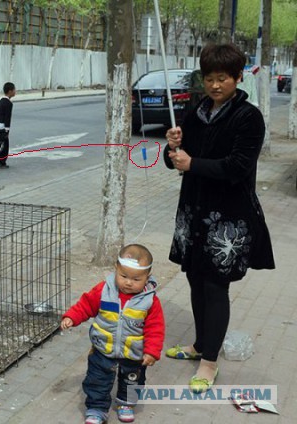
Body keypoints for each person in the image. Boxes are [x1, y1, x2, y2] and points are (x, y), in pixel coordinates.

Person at [164, 43, 274, 394]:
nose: (214, 85)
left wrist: (193, 163)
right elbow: (176, 161)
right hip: (194, 210)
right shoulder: (196, 110)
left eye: (222, 78)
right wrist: (173, 148)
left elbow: (238, 167)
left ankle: (209, 361)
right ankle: (199, 344)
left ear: (238, 77)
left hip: (228, 216)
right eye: (209, 78)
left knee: (215, 286)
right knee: (195, 278)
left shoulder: (248, 117)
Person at [61, 244, 165, 424]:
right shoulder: (104, 291)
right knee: (97, 380)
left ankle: (126, 403)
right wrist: (72, 317)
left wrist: (152, 351)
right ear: (116, 269)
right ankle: (96, 407)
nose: (128, 282)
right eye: (123, 276)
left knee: (132, 380)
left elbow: (155, 327)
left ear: (147, 277)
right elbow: (86, 305)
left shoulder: (149, 301)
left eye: (136, 279)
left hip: (134, 352)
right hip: (103, 348)